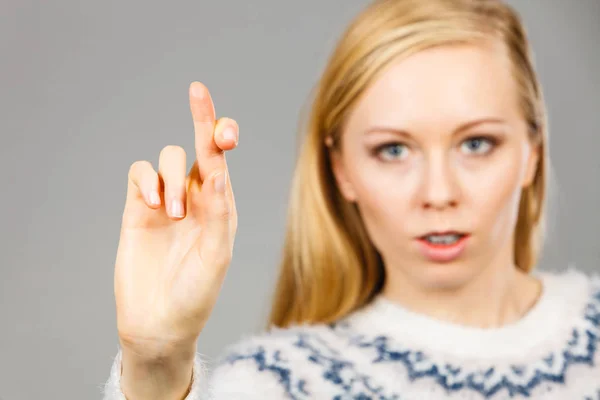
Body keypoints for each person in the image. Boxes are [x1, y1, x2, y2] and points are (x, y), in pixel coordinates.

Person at [102, 0, 600, 399]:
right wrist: (155, 364)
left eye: (476, 144)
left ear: (533, 152)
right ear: (341, 171)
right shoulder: (272, 386)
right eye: (393, 150)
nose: (439, 194)